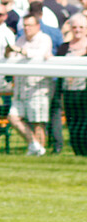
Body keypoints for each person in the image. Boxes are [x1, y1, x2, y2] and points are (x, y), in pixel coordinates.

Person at [6, 14, 53, 155]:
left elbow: (38, 55)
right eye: (24, 25)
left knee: (38, 123)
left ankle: (40, 152)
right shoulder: (20, 39)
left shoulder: (44, 39)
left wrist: (20, 50)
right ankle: (35, 145)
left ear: (37, 26)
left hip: (38, 87)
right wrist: (8, 50)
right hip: (20, 88)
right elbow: (12, 56)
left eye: (29, 25)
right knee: (13, 117)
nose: (26, 28)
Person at [58, 13, 87, 155]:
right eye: (75, 27)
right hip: (68, 92)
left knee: (84, 123)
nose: (78, 30)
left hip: (84, 92)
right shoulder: (64, 48)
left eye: (81, 27)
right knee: (72, 123)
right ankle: (77, 151)